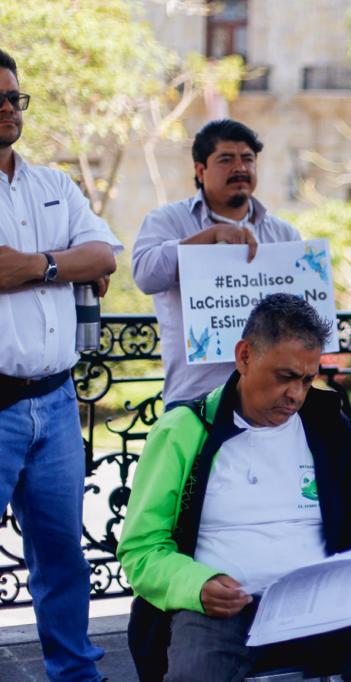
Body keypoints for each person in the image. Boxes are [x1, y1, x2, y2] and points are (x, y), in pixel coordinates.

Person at [116, 294, 351, 681]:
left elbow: (348, 529)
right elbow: (140, 550)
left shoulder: (327, 427)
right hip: (221, 609)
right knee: (195, 673)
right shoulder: (185, 432)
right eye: (285, 376)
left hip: (319, 604)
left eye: (308, 380)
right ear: (244, 357)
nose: (296, 394)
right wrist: (197, 585)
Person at [0, 48, 120, 682]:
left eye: (14, 98)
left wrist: (35, 267)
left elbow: (103, 255)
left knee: (62, 556)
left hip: (55, 397)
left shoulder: (52, 184)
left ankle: (76, 675)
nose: (8, 108)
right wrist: (65, 263)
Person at [132, 119, 302, 408]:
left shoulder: (284, 234)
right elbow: (145, 276)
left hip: (272, 401)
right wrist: (208, 239)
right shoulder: (168, 221)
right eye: (226, 159)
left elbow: (302, 313)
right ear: (200, 170)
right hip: (196, 398)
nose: (240, 168)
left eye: (248, 159)